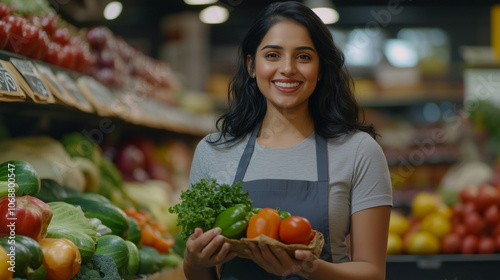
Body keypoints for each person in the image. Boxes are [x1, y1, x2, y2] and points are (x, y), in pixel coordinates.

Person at [183, 1, 393, 279]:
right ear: (251, 65)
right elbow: (202, 272)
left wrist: (310, 269)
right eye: (272, 55)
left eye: (304, 57)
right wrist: (194, 261)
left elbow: (373, 272)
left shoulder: (358, 151)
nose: (288, 68)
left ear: (320, 70)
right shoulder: (213, 151)